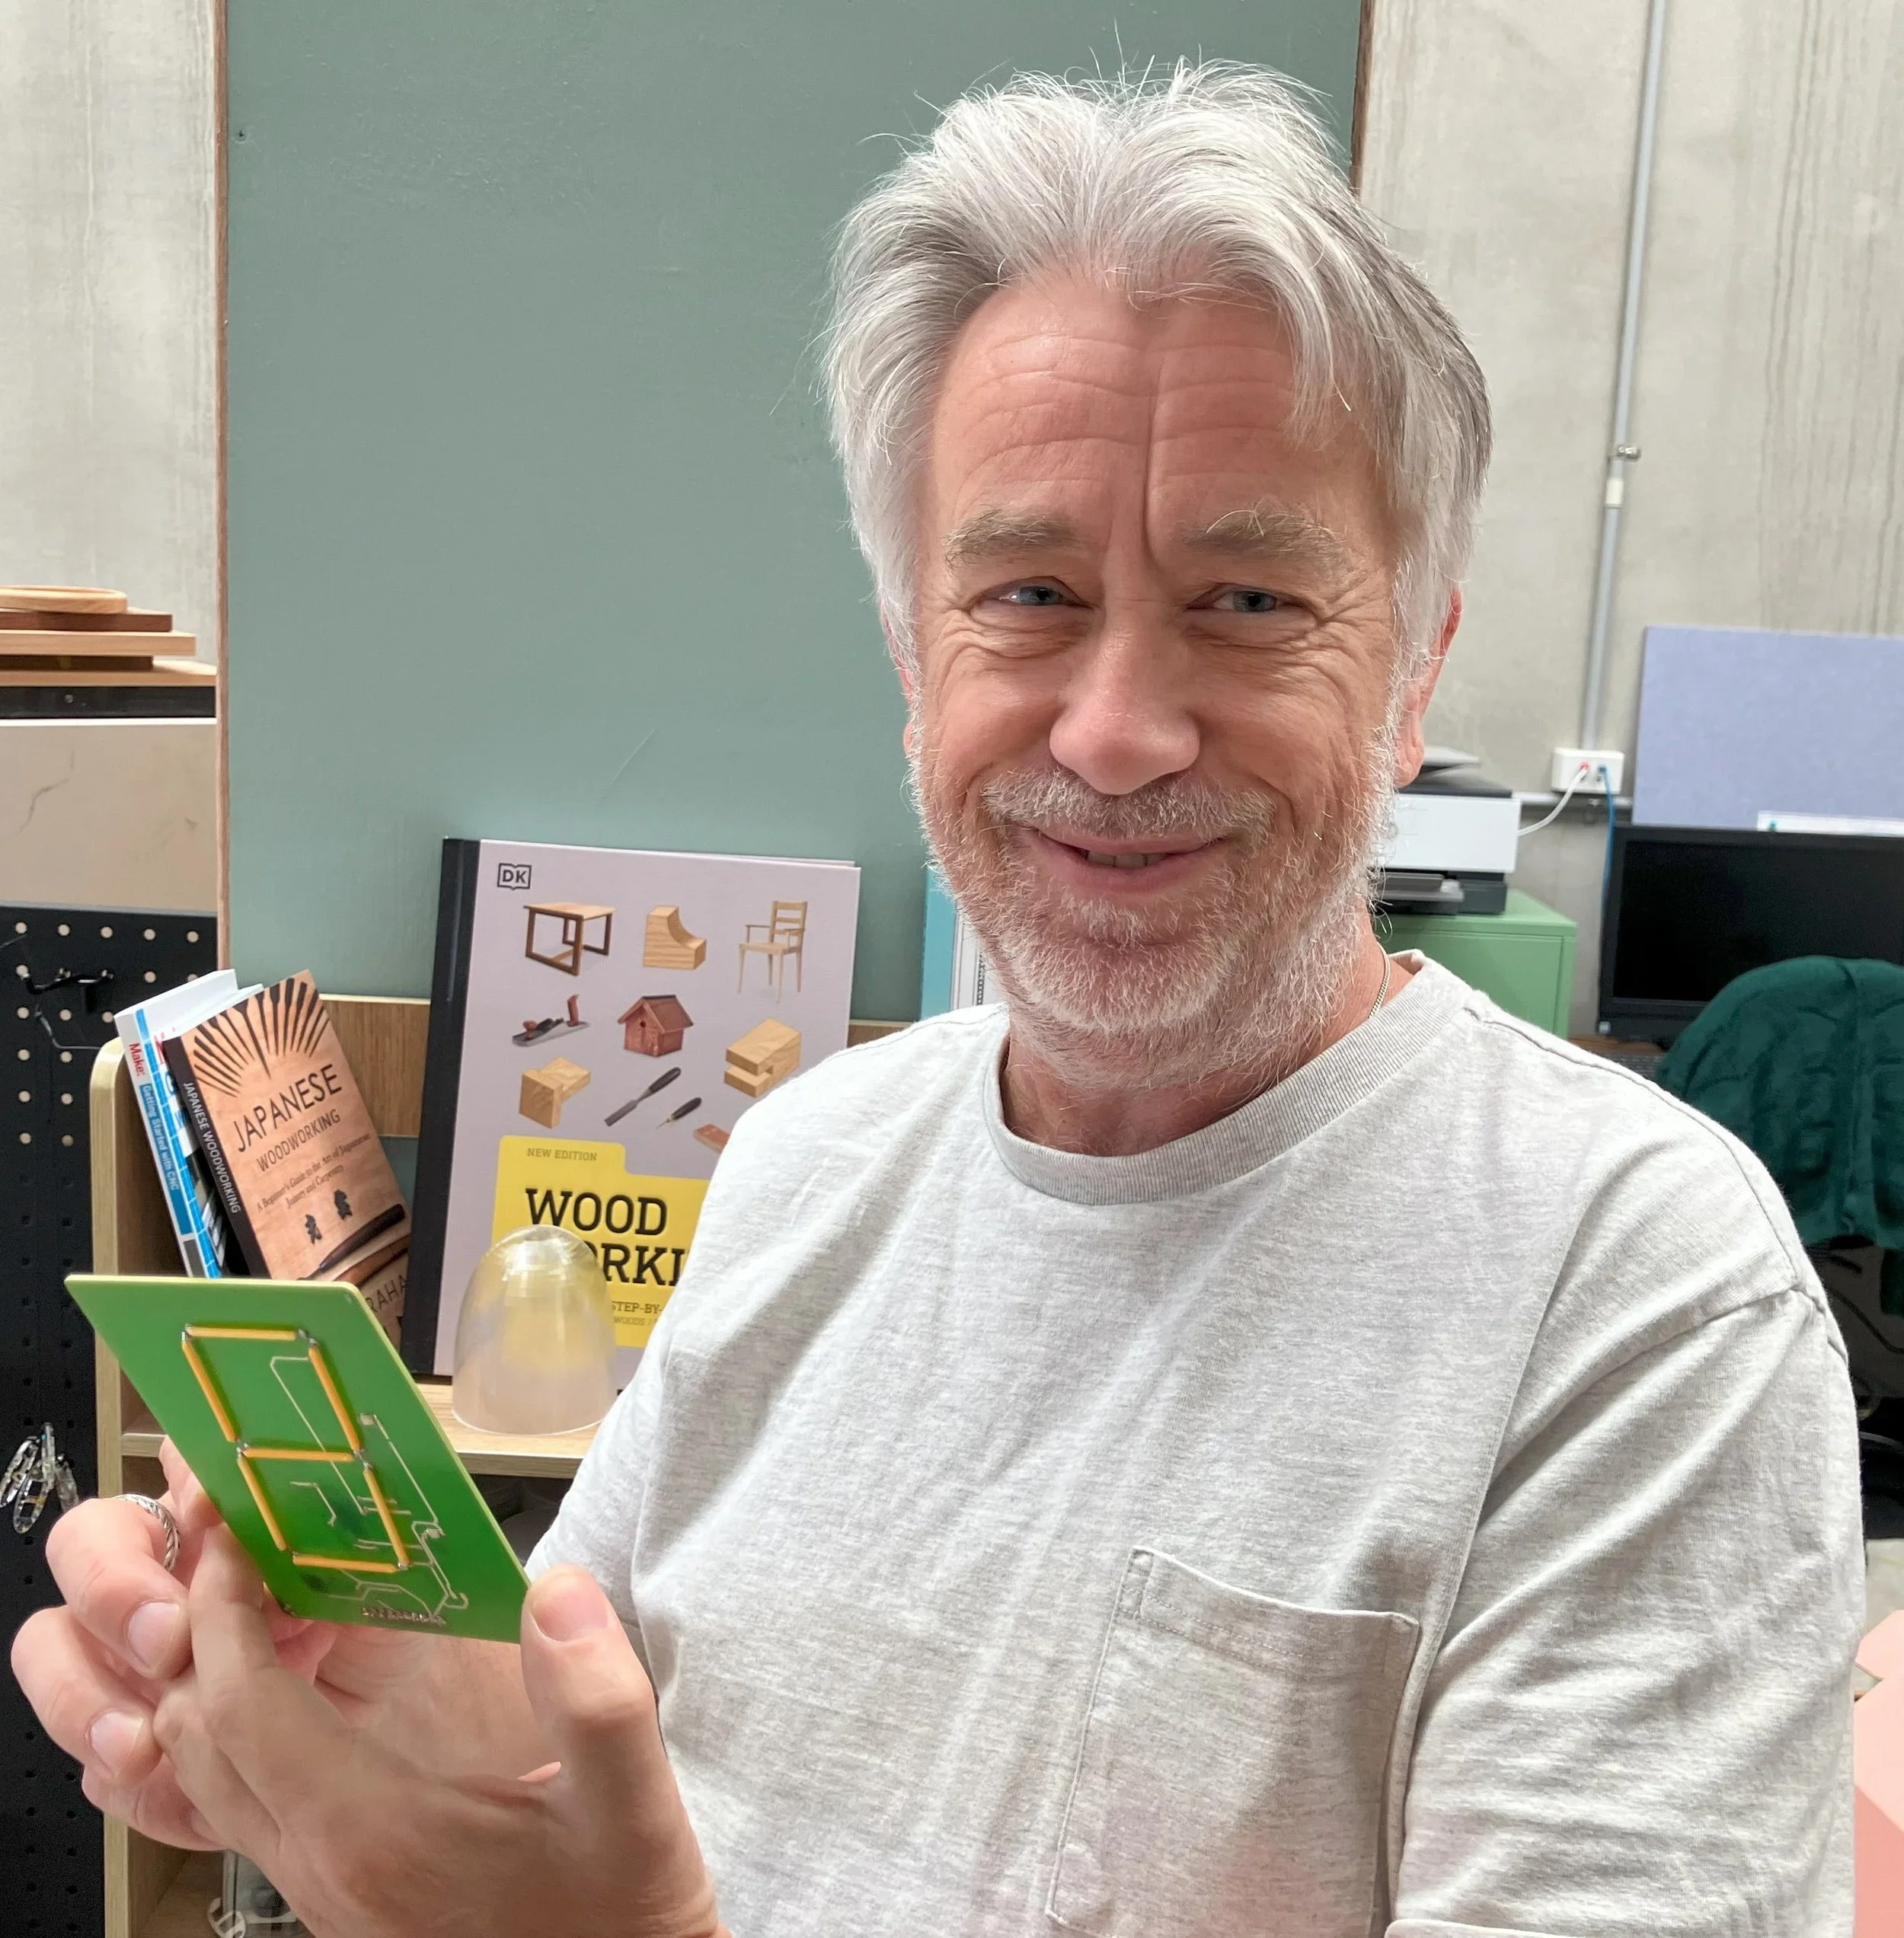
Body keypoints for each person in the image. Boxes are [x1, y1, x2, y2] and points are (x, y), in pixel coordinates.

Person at [12, 64, 1862, 1937]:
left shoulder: (1632, 1289)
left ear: (1412, 667)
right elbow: (599, 1728)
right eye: (1031, 594)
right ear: (912, 652)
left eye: (1243, 603)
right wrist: (359, 1709)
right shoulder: (811, 1153)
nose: (1117, 732)